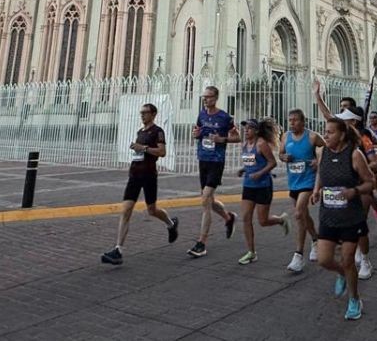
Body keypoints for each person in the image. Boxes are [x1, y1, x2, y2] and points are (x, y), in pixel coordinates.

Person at [311, 117, 376, 321]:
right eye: (325, 131)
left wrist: (354, 191)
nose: (326, 135)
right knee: (324, 259)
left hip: (351, 217)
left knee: (348, 260)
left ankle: (354, 299)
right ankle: (341, 273)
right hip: (328, 215)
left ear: (341, 135)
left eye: (330, 132)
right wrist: (316, 190)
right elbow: (320, 173)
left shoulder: (355, 155)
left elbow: (370, 183)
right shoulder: (322, 152)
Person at [313, 82, 377, 279]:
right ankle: (345, 254)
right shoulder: (336, 137)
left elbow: (374, 164)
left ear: (353, 122)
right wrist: (317, 96)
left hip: (360, 186)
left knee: (360, 228)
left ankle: (364, 257)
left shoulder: (364, 139)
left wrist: (361, 169)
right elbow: (328, 117)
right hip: (338, 190)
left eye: (344, 117)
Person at [102, 103, 179, 265]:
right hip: (135, 175)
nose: (142, 115)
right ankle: (118, 250)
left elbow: (162, 152)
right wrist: (136, 149)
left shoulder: (158, 132)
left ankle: (171, 224)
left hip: (149, 175)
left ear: (153, 114)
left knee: (152, 210)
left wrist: (143, 148)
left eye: (145, 113)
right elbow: (140, 150)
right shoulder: (140, 132)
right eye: (141, 113)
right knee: (126, 210)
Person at [188, 86, 240, 258]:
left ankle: (201, 243)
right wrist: (196, 134)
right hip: (203, 159)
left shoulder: (225, 117)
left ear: (216, 97)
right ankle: (228, 218)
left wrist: (222, 139)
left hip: (217, 161)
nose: (205, 100)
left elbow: (237, 137)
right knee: (207, 198)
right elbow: (198, 131)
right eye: (204, 97)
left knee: (205, 200)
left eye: (208, 97)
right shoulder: (202, 114)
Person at [236, 118, 290, 264]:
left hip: (263, 186)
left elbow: (272, 162)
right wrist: (243, 170)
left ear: (257, 130)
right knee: (246, 217)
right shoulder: (245, 144)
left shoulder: (261, 144)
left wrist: (259, 173)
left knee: (263, 221)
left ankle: (281, 220)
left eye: (249, 128)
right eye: (245, 128)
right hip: (248, 185)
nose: (246, 131)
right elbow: (251, 163)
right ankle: (251, 252)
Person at [279, 108, 324, 273]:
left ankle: (298, 255)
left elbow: (327, 149)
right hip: (294, 182)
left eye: (295, 120)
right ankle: (316, 239)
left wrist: (317, 160)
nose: (292, 123)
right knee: (304, 214)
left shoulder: (312, 137)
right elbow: (280, 154)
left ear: (303, 122)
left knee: (298, 214)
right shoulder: (285, 136)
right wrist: (284, 157)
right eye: (290, 120)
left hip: (308, 181)